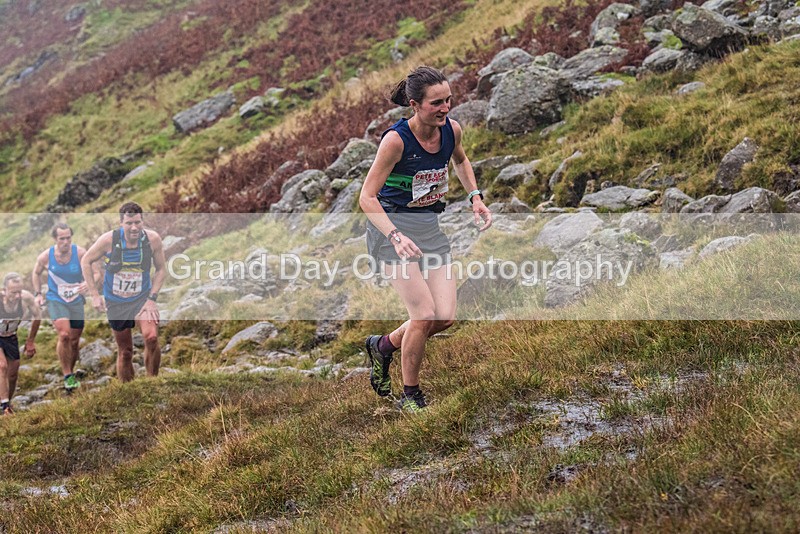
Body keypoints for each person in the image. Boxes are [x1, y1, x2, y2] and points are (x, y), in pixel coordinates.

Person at [359, 66, 492, 412]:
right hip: (390, 231)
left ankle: (384, 346)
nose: (446, 108)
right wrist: (395, 235)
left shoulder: (451, 130)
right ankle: (411, 395)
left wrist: (475, 197)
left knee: (444, 316)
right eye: (437, 103)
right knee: (422, 314)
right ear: (415, 104)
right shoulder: (396, 141)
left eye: (448, 100)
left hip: (428, 229)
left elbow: (460, 161)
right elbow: (366, 197)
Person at [80, 202, 167, 383]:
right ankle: (129, 391)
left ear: (143, 221)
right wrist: (95, 295)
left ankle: (152, 383)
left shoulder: (152, 240)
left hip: (142, 299)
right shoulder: (108, 240)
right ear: (121, 223)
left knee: (151, 338)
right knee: (126, 352)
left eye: (137, 222)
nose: (134, 227)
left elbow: (161, 269)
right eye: (129, 223)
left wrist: (152, 298)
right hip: (116, 302)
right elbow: (86, 261)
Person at [32, 223, 99, 392]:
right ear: (55, 239)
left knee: (75, 341)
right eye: (62, 238)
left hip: (76, 300)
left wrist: (87, 284)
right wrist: (38, 294)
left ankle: (70, 369)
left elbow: (97, 273)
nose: (66, 241)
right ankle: (68, 375)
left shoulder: (81, 253)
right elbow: (36, 273)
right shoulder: (46, 256)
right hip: (56, 299)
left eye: (68, 238)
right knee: (64, 335)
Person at [0, 273, 41, 415]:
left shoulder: (26, 298)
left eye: (19, 291)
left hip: (11, 337)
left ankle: (6, 404)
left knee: (12, 375)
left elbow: (38, 316)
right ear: (4, 290)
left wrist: (30, 341)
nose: (17, 295)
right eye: (13, 292)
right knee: (2, 366)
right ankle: (4, 406)